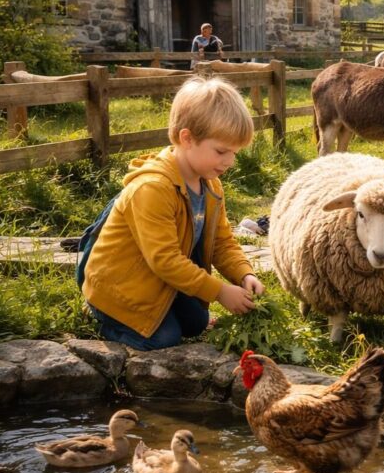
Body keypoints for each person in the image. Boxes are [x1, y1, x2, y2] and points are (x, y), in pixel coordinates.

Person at [83, 76, 263, 351]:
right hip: (120, 289)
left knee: (196, 323)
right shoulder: (153, 188)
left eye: (235, 153)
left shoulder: (211, 184)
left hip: (155, 281)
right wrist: (219, 291)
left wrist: (243, 275)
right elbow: (165, 260)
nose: (230, 161)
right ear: (187, 138)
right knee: (163, 340)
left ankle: (164, 310)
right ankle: (102, 315)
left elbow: (221, 242)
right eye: (221, 151)